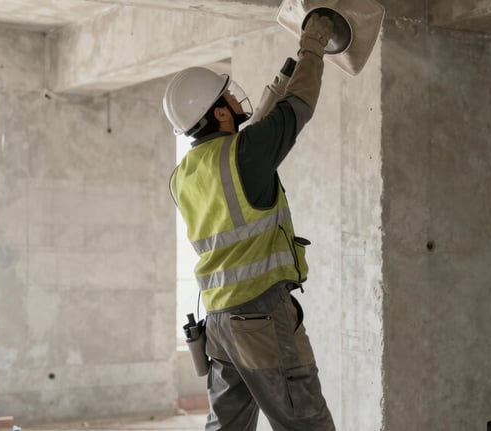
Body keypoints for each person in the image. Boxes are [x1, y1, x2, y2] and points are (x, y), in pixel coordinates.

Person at [162, 12, 336, 431]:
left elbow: (252, 134)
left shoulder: (186, 173)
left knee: (226, 426)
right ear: (219, 115)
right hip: (262, 318)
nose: (235, 102)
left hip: (220, 323)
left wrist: (282, 76)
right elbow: (299, 107)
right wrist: (314, 44)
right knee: (306, 422)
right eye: (227, 99)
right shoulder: (245, 155)